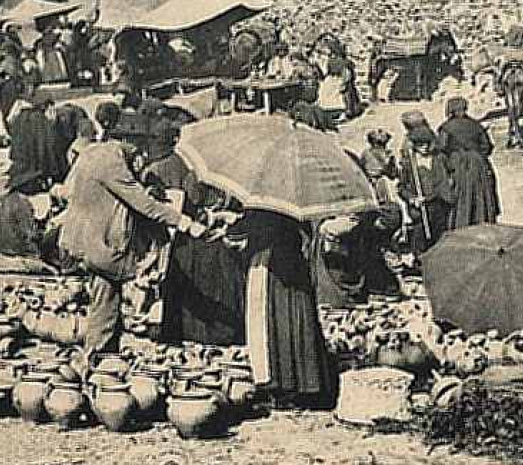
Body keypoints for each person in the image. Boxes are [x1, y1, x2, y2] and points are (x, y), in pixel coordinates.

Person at [61, 105, 206, 364]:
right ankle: (95, 364)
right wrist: (185, 222)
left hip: (82, 237)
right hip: (99, 245)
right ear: (128, 141)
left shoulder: (95, 152)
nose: (142, 154)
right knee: (105, 304)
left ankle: (105, 358)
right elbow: (143, 205)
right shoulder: (112, 162)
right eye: (138, 147)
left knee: (106, 302)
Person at [144, 123, 247, 346]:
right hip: (207, 238)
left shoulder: (163, 171)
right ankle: (216, 333)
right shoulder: (211, 172)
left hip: (185, 238)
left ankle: (186, 331)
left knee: (186, 286)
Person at [229, 210, 339, 410]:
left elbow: (243, 230)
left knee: (270, 322)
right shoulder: (296, 206)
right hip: (293, 263)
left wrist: (229, 225)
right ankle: (306, 382)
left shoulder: (265, 205)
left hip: (271, 265)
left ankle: (279, 383)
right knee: (296, 320)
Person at [437, 95, 501, 229]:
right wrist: (477, 156)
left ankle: (461, 226)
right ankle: (483, 223)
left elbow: (441, 148)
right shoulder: (476, 125)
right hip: (479, 164)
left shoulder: (446, 127)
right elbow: (487, 146)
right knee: (481, 195)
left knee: (461, 197)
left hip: (459, 164)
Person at [396, 112, 452, 254]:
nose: (424, 148)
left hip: (438, 205)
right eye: (420, 145)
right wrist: (412, 199)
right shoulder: (410, 164)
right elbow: (401, 188)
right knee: (420, 242)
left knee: (441, 239)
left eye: (427, 144)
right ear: (414, 145)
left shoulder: (439, 159)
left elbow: (449, 178)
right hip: (420, 210)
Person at [359, 129, 399, 204]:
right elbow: (392, 174)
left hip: (373, 185)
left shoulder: (365, 153)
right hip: (382, 184)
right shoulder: (386, 155)